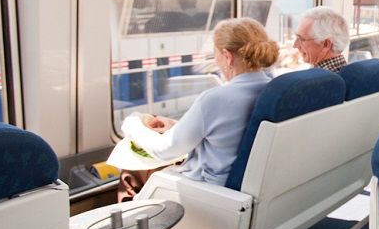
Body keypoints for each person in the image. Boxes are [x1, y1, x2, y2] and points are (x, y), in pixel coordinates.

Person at [114, 17, 279, 197]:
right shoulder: (273, 91)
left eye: (215, 55)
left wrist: (131, 125)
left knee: (130, 175)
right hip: (244, 186)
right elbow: (228, 133)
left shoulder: (215, 99)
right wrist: (178, 127)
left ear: (227, 57)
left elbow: (164, 151)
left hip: (209, 193)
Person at [293, 5, 349, 72]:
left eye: (301, 39)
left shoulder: (316, 81)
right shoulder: (349, 72)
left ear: (325, 45)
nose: (295, 45)